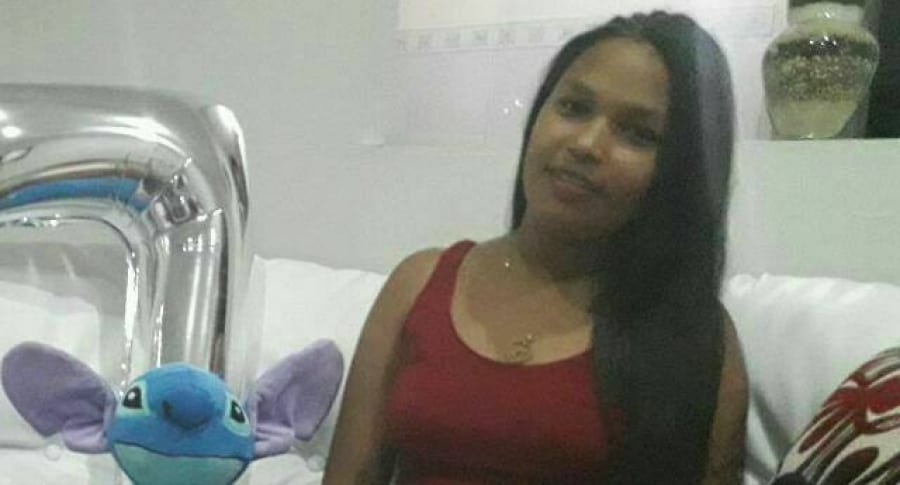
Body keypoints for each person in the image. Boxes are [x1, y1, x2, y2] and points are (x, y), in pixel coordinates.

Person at [323, 11, 748, 485]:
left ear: (680, 174)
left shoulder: (694, 339)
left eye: (638, 133)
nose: (587, 144)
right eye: (573, 107)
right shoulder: (419, 283)